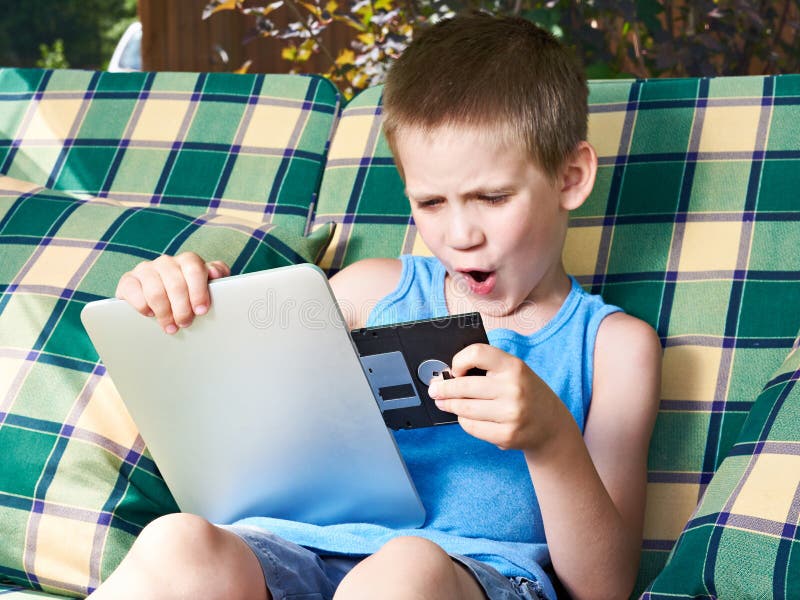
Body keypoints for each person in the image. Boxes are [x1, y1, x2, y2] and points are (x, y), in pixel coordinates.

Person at [89, 12, 661, 600]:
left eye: (491, 197)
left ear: (569, 178)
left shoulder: (614, 347)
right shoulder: (366, 292)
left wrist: (551, 440)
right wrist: (188, 301)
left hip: (471, 576)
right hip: (296, 551)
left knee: (406, 568)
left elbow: (603, 588)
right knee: (177, 543)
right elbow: (238, 391)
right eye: (432, 202)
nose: (461, 234)